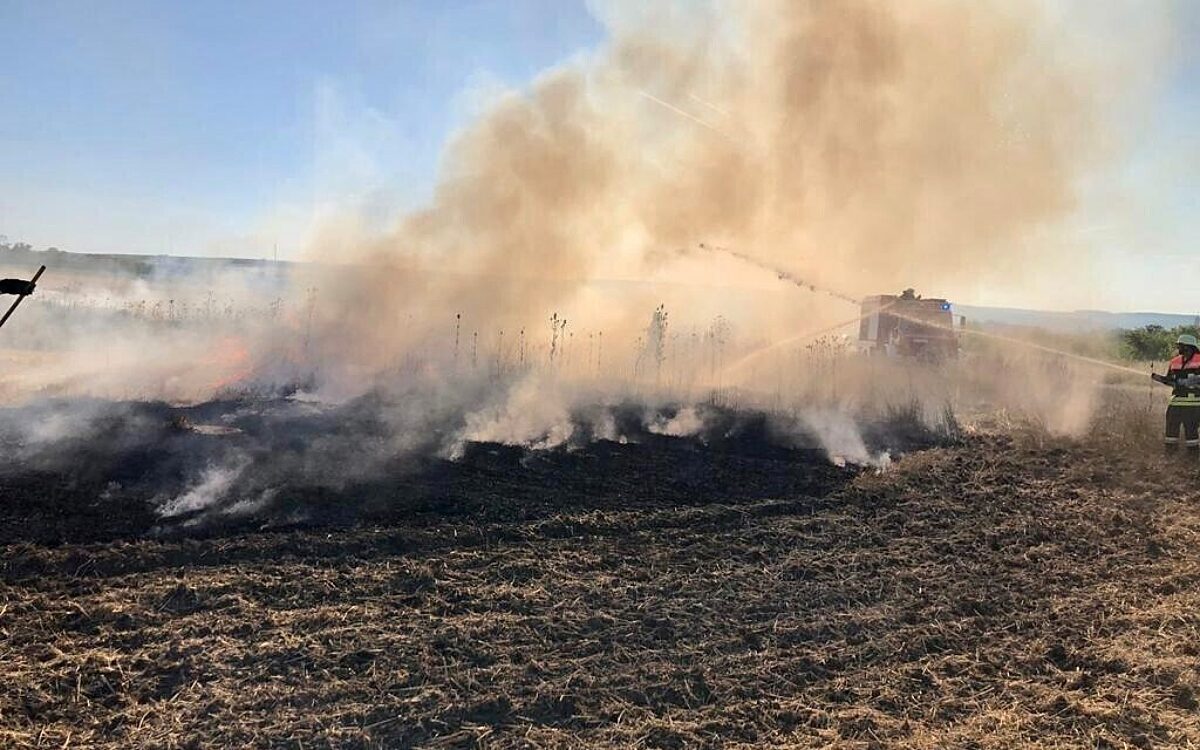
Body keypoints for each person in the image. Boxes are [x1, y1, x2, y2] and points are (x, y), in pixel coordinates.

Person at [1152, 334, 1200, 459]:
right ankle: (1170, 456)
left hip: (1194, 404)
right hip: (1175, 403)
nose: (1178, 348)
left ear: (1189, 347)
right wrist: (1160, 378)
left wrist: (1195, 380)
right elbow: (1171, 381)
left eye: (1180, 345)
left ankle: (1192, 458)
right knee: (1171, 431)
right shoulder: (1174, 362)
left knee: (1191, 432)